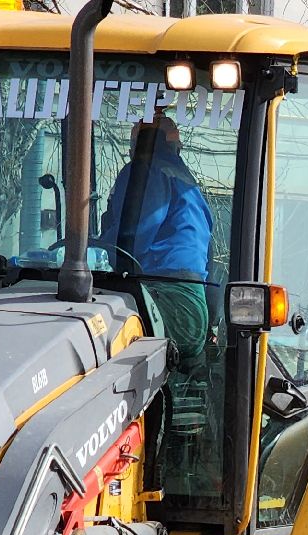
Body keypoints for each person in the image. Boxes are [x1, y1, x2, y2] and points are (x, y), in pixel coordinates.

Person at [98, 110, 214, 392]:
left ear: (140, 144)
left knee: (95, 335)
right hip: (192, 307)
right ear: (176, 146)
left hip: (165, 299)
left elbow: (130, 242)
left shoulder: (144, 172)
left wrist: (97, 248)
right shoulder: (187, 184)